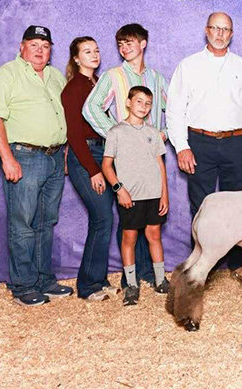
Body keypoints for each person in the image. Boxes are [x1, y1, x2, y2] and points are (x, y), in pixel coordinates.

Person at [166, 12, 242, 287]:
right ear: (206, 30)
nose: (220, 34)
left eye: (226, 29)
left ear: (231, 34)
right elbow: (175, 110)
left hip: (236, 141)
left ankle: (238, 264)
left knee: (237, 206)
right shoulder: (188, 66)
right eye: (216, 28)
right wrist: (182, 146)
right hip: (199, 141)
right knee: (201, 207)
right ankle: (200, 267)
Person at [0, 25, 73, 307]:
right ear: (22, 47)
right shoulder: (6, 74)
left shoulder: (56, 76)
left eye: (45, 46)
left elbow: (64, 116)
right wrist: (7, 158)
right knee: (22, 224)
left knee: (46, 222)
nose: (40, 50)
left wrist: (65, 154)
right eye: (34, 45)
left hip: (55, 155)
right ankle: (23, 285)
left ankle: (44, 279)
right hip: (24, 155)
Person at [82, 23, 168, 288]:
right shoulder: (113, 76)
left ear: (143, 44)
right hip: (127, 159)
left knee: (151, 220)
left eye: (129, 42)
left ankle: (149, 273)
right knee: (129, 214)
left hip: (152, 156)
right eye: (120, 44)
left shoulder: (156, 78)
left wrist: (164, 133)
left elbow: (174, 109)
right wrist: (119, 136)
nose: (124, 48)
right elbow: (91, 108)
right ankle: (130, 278)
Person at [61, 37, 118, 301]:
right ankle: (88, 286)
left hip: (104, 152)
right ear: (76, 58)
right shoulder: (73, 88)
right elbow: (74, 133)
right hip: (86, 155)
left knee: (104, 220)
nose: (94, 55)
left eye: (96, 50)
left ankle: (99, 279)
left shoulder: (98, 84)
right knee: (102, 218)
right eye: (87, 51)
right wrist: (93, 170)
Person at [101, 86, 170, 306]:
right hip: (130, 196)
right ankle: (131, 285)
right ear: (128, 102)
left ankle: (161, 280)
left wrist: (164, 194)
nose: (143, 106)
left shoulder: (153, 133)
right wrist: (119, 189)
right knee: (129, 238)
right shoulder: (116, 132)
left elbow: (160, 165)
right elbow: (106, 165)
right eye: (139, 101)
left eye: (148, 103)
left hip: (153, 193)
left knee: (154, 235)